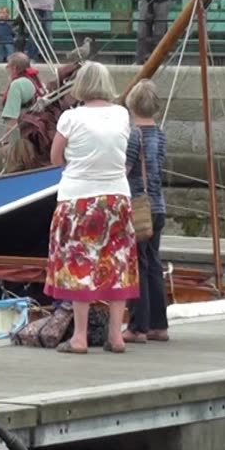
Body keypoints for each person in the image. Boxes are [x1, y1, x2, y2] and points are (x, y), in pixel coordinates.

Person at [48, 61, 139, 355]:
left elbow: (55, 158)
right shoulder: (122, 114)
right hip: (116, 197)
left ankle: (80, 336)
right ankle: (116, 335)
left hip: (79, 197)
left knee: (79, 262)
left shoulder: (70, 118)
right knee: (117, 262)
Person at [123, 79, 169, 344]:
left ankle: (137, 326)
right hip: (158, 205)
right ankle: (158, 325)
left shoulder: (132, 135)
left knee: (138, 265)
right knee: (153, 265)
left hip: (138, 207)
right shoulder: (160, 134)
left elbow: (125, 170)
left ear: (132, 104)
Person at [0, 52, 46, 170]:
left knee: (16, 168)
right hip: (37, 137)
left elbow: (12, 118)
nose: (6, 68)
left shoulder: (16, 85)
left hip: (21, 140)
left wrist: (5, 143)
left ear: (14, 68)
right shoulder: (36, 81)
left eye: (8, 65)